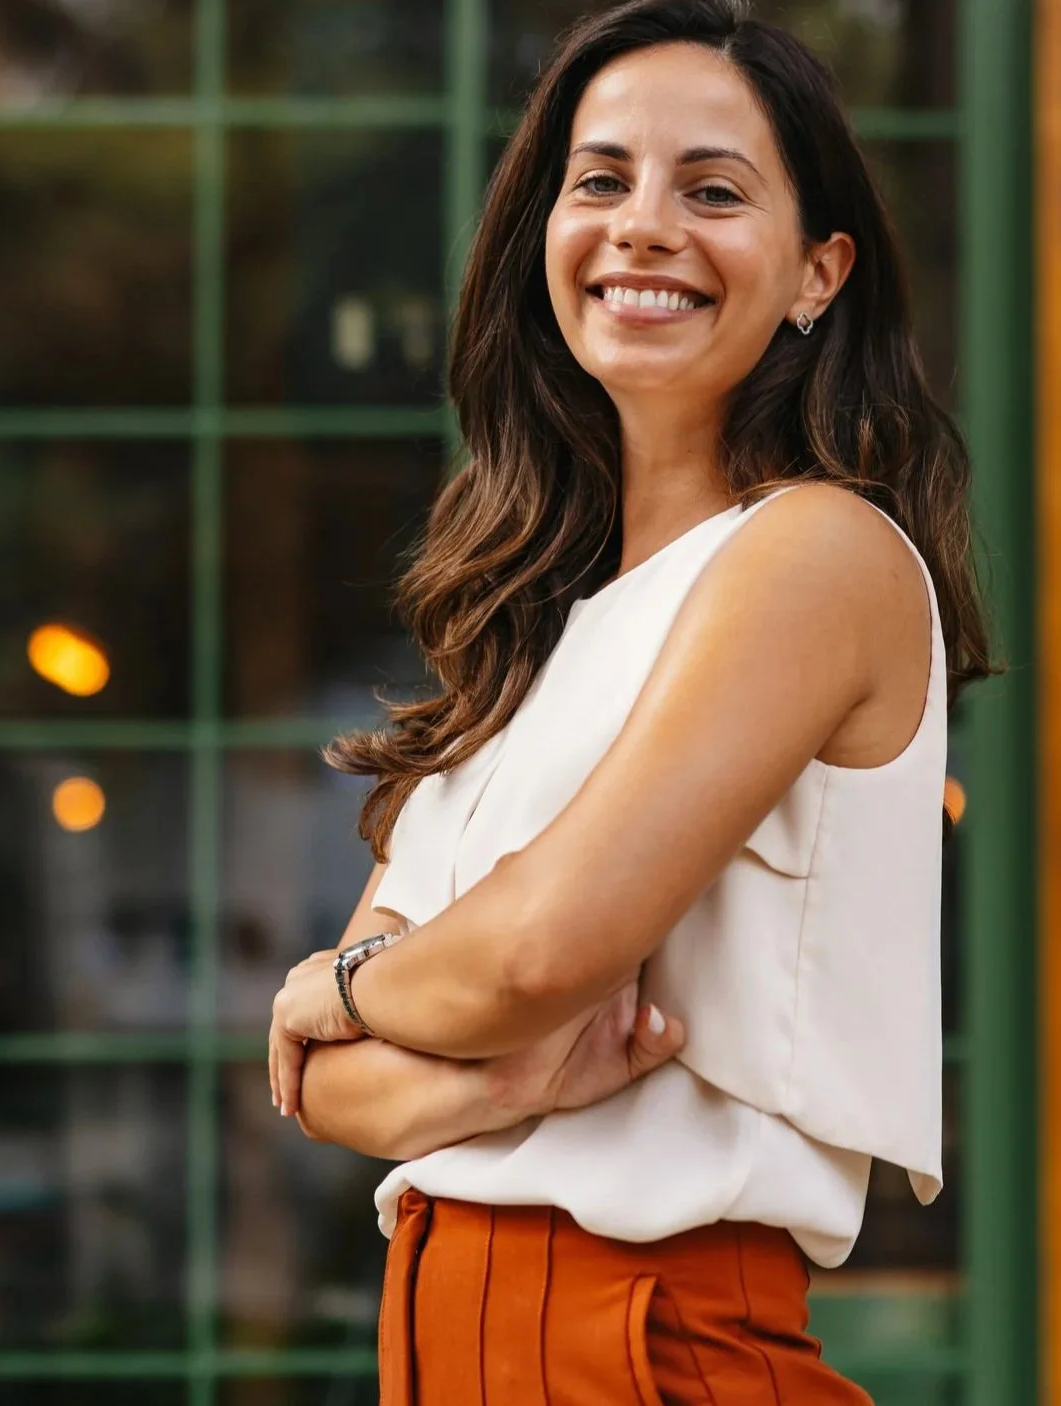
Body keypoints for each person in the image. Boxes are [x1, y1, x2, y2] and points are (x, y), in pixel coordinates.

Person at [261, 0, 993, 1398]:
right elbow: (336, 1095)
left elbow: (537, 954)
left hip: (647, 1341)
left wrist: (331, 986)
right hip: (452, 1337)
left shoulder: (816, 553)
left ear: (816, 273)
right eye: (600, 180)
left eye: (711, 190)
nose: (644, 224)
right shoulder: (529, 625)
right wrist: (503, 1081)